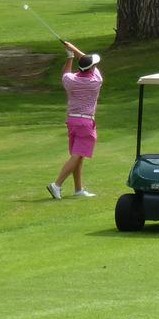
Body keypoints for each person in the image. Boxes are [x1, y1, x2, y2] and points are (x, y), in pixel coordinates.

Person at [47, 41, 102, 200]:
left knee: (78, 155)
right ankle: (56, 185)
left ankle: (78, 189)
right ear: (91, 69)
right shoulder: (95, 81)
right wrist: (74, 49)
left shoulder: (71, 80)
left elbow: (65, 73)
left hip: (72, 121)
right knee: (78, 155)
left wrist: (69, 56)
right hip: (86, 123)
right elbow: (84, 58)